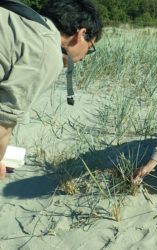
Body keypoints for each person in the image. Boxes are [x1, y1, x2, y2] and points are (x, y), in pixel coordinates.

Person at [0, 0, 103, 179]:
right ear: (81, 34)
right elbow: (2, 124)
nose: (85, 57)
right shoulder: (45, 49)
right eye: (90, 48)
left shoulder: (16, 15)